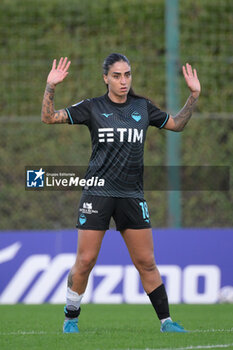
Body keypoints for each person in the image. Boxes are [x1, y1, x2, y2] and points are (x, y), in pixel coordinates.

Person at [41, 53, 201, 333]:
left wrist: (194, 95)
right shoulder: (92, 107)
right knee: (86, 260)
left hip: (131, 196)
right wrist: (51, 86)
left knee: (146, 262)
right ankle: (71, 319)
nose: (123, 80)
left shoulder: (143, 107)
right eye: (116, 75)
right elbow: (48, 118)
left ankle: (167, 323)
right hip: (97, 194)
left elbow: (176, 124)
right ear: (105, 78)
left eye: (127, 75)